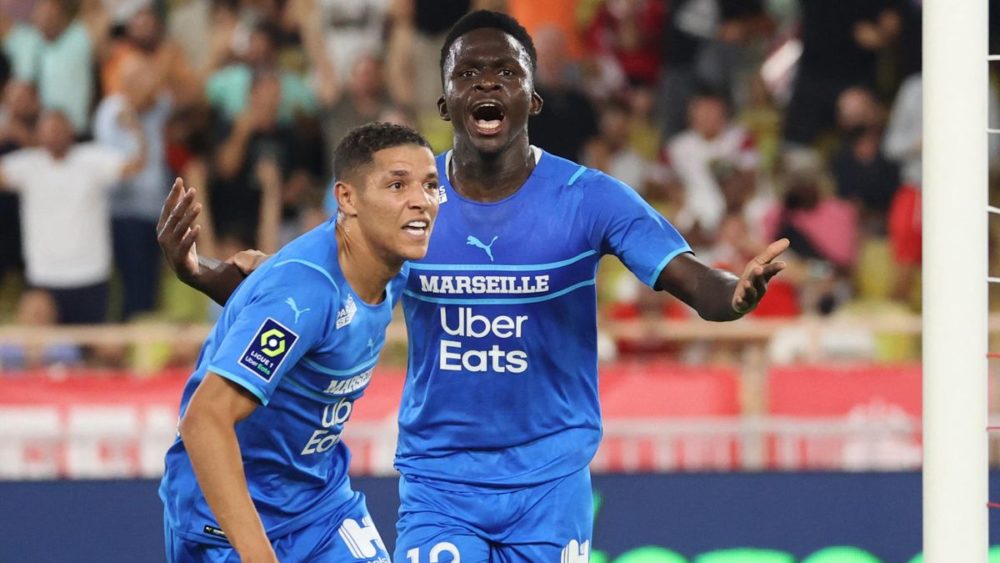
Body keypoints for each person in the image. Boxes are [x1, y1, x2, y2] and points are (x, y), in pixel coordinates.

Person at [159, 11, 787, 561]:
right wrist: (201, 272)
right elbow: (310, 285)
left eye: (507, 72)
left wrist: (735, 295)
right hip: (441, 482)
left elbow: (695, 282)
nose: (487, 83)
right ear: (445, 103)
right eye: (468, 73)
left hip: (550, 483)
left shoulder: (589, 199)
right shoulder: (404, 203)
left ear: (533, 99)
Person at [158, 122, 439, 562]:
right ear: (347, 198)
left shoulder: (392, 261)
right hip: (226, 523)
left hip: (318, 504)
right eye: (397, 184)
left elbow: (260, 283)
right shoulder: (306, 292)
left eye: (430, 185)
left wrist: (199, 272)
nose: (420, 199)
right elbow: (205, 420)